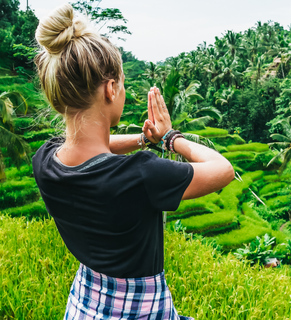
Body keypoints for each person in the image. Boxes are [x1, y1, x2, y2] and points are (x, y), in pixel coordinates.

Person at [31, 4, 234, 320]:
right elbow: (223, 169)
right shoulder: (141, 174)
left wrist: (143, 139)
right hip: (140, 310)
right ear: (111, 89)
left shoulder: (45, 160)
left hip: (85, 304)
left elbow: (93, 147)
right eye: (122, 84)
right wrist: (169, 137)